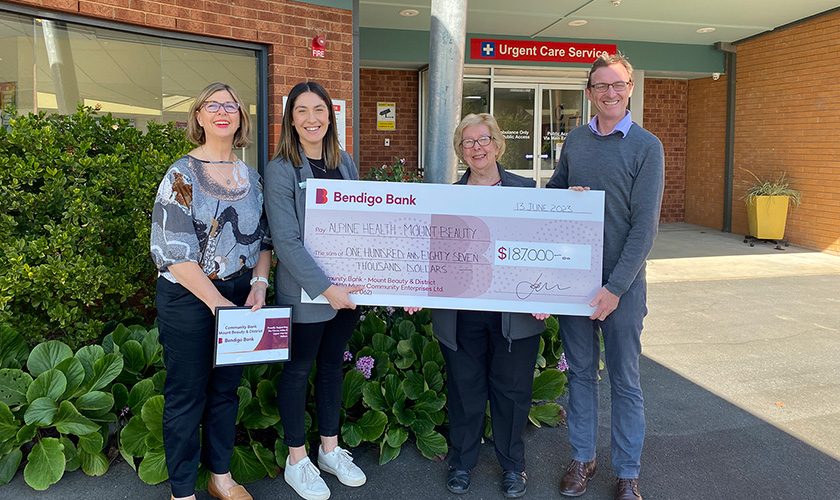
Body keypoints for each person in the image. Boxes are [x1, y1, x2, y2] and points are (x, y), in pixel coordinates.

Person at [409, 113, 549, 499]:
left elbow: (548, 248)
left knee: (512, 391)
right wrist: (415, 290)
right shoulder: (447, 197)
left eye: (483, 139)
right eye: (468, 143)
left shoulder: (529, 191)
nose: (477, 148)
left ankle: (513, 466)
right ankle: (461, 462)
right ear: (460, 151)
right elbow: (429, 254)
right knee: (465, 389)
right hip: (462, 314)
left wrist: (548, 294)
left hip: (515, 315)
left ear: (498, 144)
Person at [546, 53, 664, 500]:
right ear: (589, 92)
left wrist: (615, 288)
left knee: (624, 379)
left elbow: (645, 227)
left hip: (623, 287)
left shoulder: (647, 146)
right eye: (600, 86)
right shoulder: (575, 140)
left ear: (630, 87)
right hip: (575, 280)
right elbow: (556, 190)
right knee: (580, 374)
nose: (609, 93)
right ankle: (583, 458)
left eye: (617, 84)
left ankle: (627, 472)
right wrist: (566, 197)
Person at [150, 82, 272, 500]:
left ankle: (221, 478)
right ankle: (182, 490)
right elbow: (175, 252)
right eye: (212, 105)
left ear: (241, 117)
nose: (223, 111)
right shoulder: (181, 175)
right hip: (189, 298)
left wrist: (259, 283)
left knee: (226, 390)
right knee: (186, 395)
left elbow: (263, 240)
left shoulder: (252, 179)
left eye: (231, 105)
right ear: (199, 117)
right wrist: (218, 302)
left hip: (238, 297)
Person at [264, 81, 366, 500]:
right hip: (308, 294)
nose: (312, 119)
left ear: (330, 115)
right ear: (291, 118)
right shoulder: (281, 168)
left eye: (319, 110)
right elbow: (285, 242)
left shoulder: (345, 162)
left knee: (330, 369)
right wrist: (327, 289)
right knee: (299, 371)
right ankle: (296, 460)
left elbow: (362, 222)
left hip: (348, 293)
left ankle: (329, 448)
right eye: (302, 111)